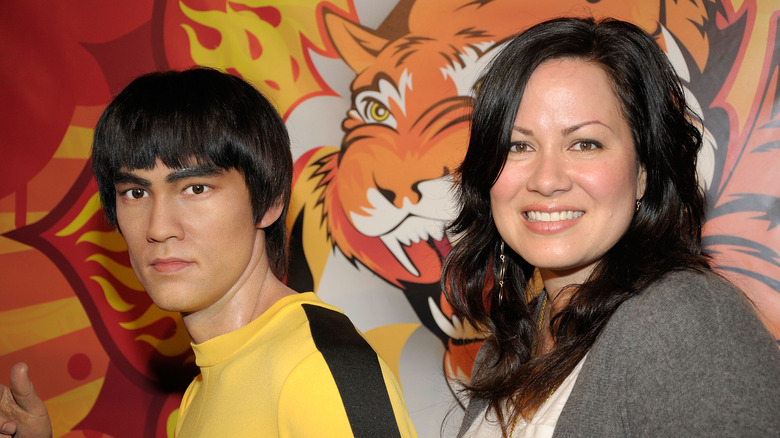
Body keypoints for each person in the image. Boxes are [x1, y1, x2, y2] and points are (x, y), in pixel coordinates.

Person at [1, 67, 416, 437]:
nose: (159, 227)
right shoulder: (202, 390)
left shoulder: (320, 368)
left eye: (196, 188)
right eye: (135, 192)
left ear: (270, 200)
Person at [442, 17, 780, 437]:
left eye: (585, 144)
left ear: (643, 171)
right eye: (518, 145)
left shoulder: (683, 321)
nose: (547, 180)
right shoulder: (505, 348)